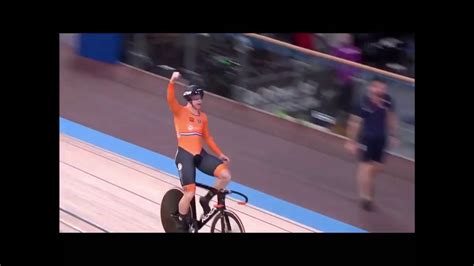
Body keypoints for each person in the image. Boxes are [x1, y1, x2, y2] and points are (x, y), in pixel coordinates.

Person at [166, 72, 231, 231]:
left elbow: (208, 138)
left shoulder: (203, 117)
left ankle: (206, 200)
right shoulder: (180, 112)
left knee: (225, 176)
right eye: (196, 98)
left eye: (201, 97)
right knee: (189, 193)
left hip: (200, 155)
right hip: (184, 155)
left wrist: (219, 153)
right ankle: (181, 222)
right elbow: (170, 99)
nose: (200, 101)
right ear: (189, 99)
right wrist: (172, 81)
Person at [345, 78, 399, 211]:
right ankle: (366, 197)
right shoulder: (362, 103)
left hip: (381, 140)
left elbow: (391, 117)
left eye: (383, 88)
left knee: (378, 168)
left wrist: (393, 135)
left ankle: (367, 182)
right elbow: (354, 122)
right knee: (366, 168)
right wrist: (351, 141)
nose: (380, 91)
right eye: (377, 88)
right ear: (371, 88)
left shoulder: (388, 100)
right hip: (366, 139)